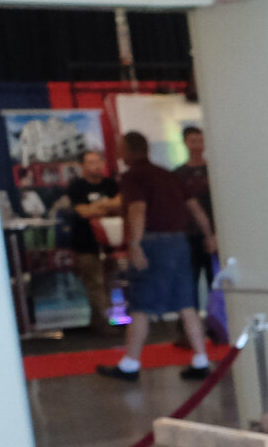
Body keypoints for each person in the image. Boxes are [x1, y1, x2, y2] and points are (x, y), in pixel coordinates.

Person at [96, 132, 215, 383]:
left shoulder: (133, 177)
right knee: (187, 303)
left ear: (129, 151)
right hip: (179, 242)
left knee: (141, 304)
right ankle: (201, 359)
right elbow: (194, 208)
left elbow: (138, 209)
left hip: (153, 243)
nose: (118, 154)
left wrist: (135, 244)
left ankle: (130, 364)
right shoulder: (169, 175)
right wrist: (209, 235)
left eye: (120, 149)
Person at [56, 146, 125, 330]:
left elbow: (119, 203)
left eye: (98, 162)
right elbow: (83, 211)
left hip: (109, 242)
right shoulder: (77, 187)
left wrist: (100, 205)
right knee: (95, 282)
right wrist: (105, 206)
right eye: (91, 163)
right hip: (85, 243)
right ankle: (102, 322)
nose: (96, 166)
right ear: (83, 166)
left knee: (108, 282)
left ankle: (101, 320)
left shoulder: (110, 184)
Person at [178, 124, 218, 319]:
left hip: (216, 237)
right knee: (190, 282)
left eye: (200, 140)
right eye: (193, 141)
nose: (197, 145)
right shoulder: (178, 174)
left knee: (216, 282)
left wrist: (215, 234)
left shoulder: (215, 170)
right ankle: (190, 327)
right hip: (189, 237)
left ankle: (219, 324)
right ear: (185, 143)